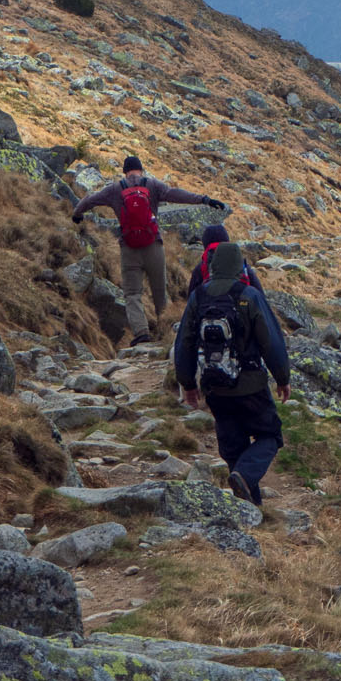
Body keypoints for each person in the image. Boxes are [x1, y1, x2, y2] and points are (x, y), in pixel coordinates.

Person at [175, 241, 290, 507]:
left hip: (215, 387)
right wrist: (282, 379)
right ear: (240, 266)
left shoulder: (199, 296)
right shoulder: (249, 295)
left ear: (213, 266)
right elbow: (271, 342)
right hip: (250, 386)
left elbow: (184, 342)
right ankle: (245, 477)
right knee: (269, 436)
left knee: (233, 448)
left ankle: (252, 511)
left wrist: (188, 383)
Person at [71, 155, 222, 346]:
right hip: (153, 247)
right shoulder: (152, 185)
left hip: (129, 249)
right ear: (140, 170)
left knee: (132, 294)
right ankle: (166, 334)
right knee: (159, 291)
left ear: (125, 171)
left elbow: (89, 201)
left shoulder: (115, 189)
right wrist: (204, 199)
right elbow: (177, 194)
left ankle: (142, 333)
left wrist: (77, 215)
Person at [184, 223, 261, 300]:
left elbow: (191, 302)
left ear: (205, 244)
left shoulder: (200, 269)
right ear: (227, 242)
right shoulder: (242, 267)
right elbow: (261, 298)